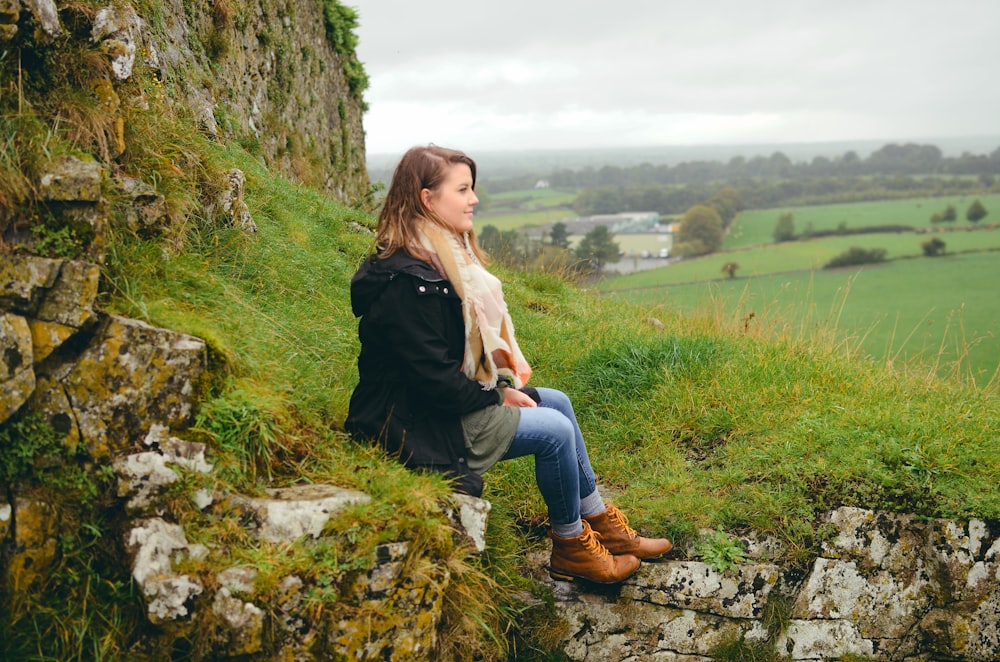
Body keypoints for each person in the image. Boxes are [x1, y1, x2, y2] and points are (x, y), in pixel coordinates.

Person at [345, 145, 671, 585]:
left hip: (437, 405)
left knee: (557, 401)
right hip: (413, 422)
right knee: (553, 432)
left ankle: (601, 523)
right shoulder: (409, 282)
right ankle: (570, 546)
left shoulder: (440, 262)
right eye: (462, 189)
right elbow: (433, 382)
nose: (474, 199)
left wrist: (497, 387)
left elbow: (450, 365)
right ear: (427, 199)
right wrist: (497, 394)